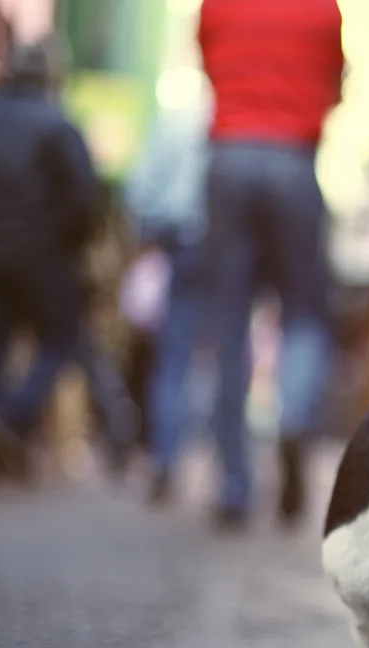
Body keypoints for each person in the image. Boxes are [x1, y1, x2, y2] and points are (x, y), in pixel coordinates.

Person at [197, 0, 344, 531]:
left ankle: (234, 486)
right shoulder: (323, 10)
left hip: (229, 156)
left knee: (230, 322)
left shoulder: (218, 5)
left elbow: (210, 68)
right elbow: (335, 83)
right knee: (304, 312)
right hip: (292, 161)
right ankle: (294, 418)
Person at [0, 39, 102, 479]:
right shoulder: (58, 123)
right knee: (60, 342)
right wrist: (68, 241)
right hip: (43, 256)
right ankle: (10, 417)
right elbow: (85, 196)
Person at [122, 97, 213, 505]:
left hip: (183, 242)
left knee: (173, 360)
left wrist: (149, 227)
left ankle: (164, 461)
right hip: (229, 248)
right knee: (229, 357)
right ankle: (232, 479)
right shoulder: (239, 125)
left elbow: (141, 190)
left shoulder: (176, 118)